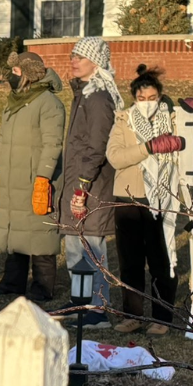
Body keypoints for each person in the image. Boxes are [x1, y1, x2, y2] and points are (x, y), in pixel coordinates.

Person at [105, 65, 187, 335]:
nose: (148, 104)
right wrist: (147, 148)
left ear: (161, 97)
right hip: (129, 198)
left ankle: (162, 316)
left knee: (161, 260)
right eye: (142, 99)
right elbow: (115, 157)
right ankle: (133, 314)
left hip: (161, 200)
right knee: (130, 262)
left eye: (153, 98)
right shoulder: (123, 120)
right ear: (134, 99)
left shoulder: (174, 120)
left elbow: (190, 142)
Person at [52, 37, 119, 328]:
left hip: (91, 186)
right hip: (76, 182)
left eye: (80, 56)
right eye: (72, 55)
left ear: (96, 61)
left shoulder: (99, 96)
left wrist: (82, 187)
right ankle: (79, 300)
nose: (73, 61)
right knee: (74, 245)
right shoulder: (83, 93)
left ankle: (98, 308)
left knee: (91, 246)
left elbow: (97, 145)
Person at [0, 52, 65, 302]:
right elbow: (2, 139)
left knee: (40, 234)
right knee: (15, 231)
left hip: (34, 179)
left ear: (28, 73)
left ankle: (43, 287)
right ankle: (12, 283)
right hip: (11, 178)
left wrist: (43, 178)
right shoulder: (14, 101)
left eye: (16, 71)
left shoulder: (49, 104)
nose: (11, 76)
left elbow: (52, 144)